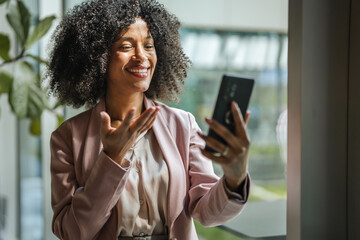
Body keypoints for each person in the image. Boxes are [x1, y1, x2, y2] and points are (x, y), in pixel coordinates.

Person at [47, 0, 251, 239]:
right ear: (98, 57)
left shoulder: (182, 125)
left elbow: (207, 213)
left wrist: (235, 179)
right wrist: (111, 160)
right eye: (126, 46)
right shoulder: (67, 138)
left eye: (149, 45)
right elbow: (71, 232)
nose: (141, 57)